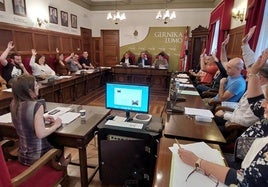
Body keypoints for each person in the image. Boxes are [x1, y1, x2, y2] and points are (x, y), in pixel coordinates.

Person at [178, 48, 268, 187]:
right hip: (240, 158)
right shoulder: (263, 110)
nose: (262, 104)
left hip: (237, 169)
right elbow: (255, 101)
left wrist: (198, 161)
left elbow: (244, 179)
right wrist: (254, 70)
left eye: (267, 100)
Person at [10, 74, 71, 166]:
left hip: (23, 154)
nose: (38, 86)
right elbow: (41, 134)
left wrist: (42, 118)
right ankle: (61, 165)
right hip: (37, 157)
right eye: (35, 85)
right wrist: (56, 124)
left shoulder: (14, 103)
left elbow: (21, 121)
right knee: (58, 141)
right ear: (29, 91)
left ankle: (62, 163)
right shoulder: (37, 106)